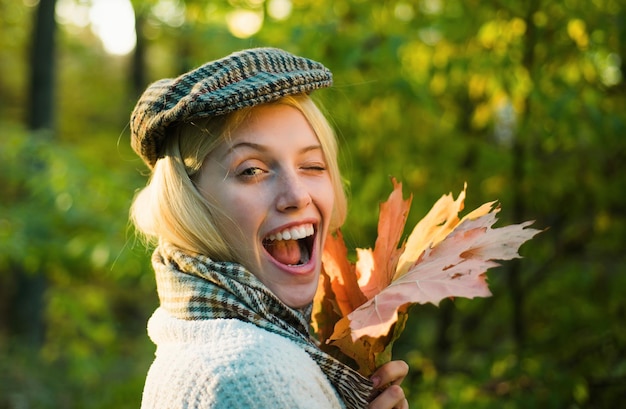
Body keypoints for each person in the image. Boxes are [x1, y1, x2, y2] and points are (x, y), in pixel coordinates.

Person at [129, 47, 409, 409]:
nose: (297, 195)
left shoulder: (193, 337)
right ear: (189, 201)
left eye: (312, 165)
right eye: (251, 170)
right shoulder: (254, 374)